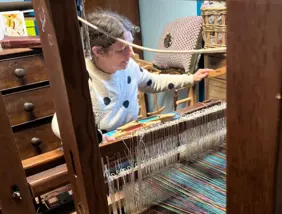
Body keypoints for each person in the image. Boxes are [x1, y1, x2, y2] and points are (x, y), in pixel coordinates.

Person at [51, 10, 211, 142]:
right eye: (122, 49)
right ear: (98, 51)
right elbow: (59, 125)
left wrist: (191, 78)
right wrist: (96, 138)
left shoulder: (129, 67)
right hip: (101, 150)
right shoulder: (81, 79)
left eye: (131, 45)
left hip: (129, 140)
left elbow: (153, 82)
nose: (132, 53)